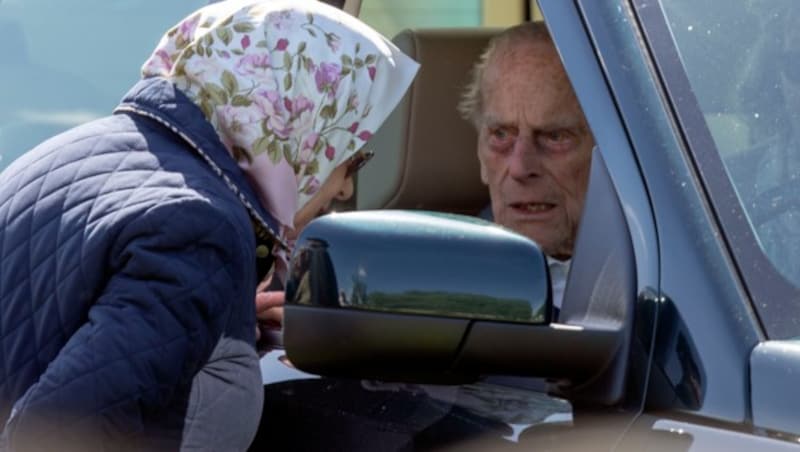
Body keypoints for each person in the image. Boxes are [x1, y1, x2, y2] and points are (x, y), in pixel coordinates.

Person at [0, 1, 417, 450]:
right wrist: (204, 280)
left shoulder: (76, 151)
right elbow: (55, 433)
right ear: (304, 128)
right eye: (352, 157)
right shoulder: (202, 230)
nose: (344, 190)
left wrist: (214, 308)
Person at [458, 22, 595, 314]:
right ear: (480, 155)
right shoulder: (447, 285)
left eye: (555, 137)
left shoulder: (673, 270)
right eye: (501, 135)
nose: (521, 167)